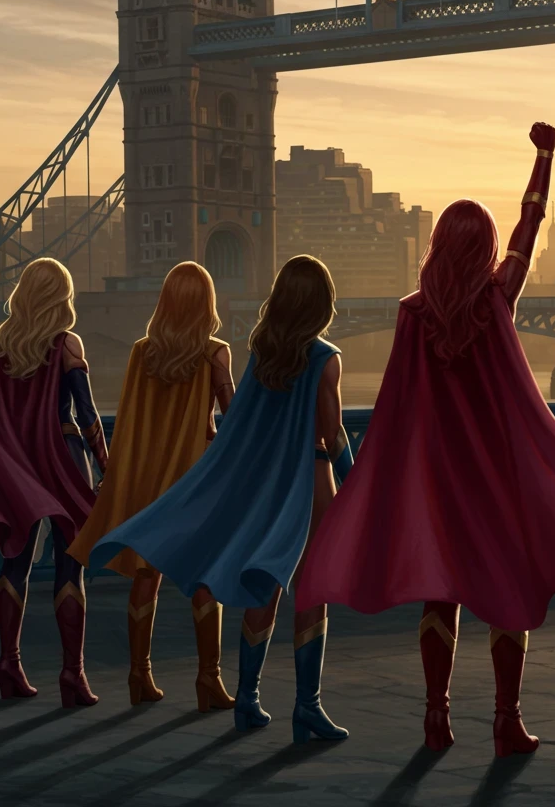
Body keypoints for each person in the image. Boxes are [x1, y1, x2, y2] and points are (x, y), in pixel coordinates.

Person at [296, 122, 555, 758]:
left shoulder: (411, 314)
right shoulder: (498, 298)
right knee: (505, 587)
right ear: (483, 248)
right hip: (493, 472)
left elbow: (395, 404)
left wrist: (378, 480)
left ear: (437, 245)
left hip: (436, 475)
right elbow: (531, 223)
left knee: (441, 591)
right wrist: (544, 156)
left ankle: (436, 719)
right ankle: (505, 720)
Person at [88, 255, 351, 743]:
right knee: (312, 591)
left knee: (262, 584)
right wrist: (355, 480)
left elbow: (241, 424)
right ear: (321, 303)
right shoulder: (325, 359)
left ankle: (247, 698)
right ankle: (306, 707)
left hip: (265, 482)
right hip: (310, 480)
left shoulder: (259, 352)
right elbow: (332, 435)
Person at [69, 261, 236, 711]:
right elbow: (231, 420)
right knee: (204, 576)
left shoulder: (142, 352)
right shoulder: (214, 353)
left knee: (146, 574)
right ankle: (208, 680)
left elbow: (130, 422)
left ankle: (138, 675)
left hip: (148, 476)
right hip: (196, 480)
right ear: (206, 303)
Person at [0, 258, 107, 707]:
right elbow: (87, 416)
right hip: (64, 457)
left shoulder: (2, 345)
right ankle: (73, 675)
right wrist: (107, 465)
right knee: (71, 564)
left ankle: (9, 663)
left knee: (15, 560)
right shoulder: (67, 344)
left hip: (16, 463)